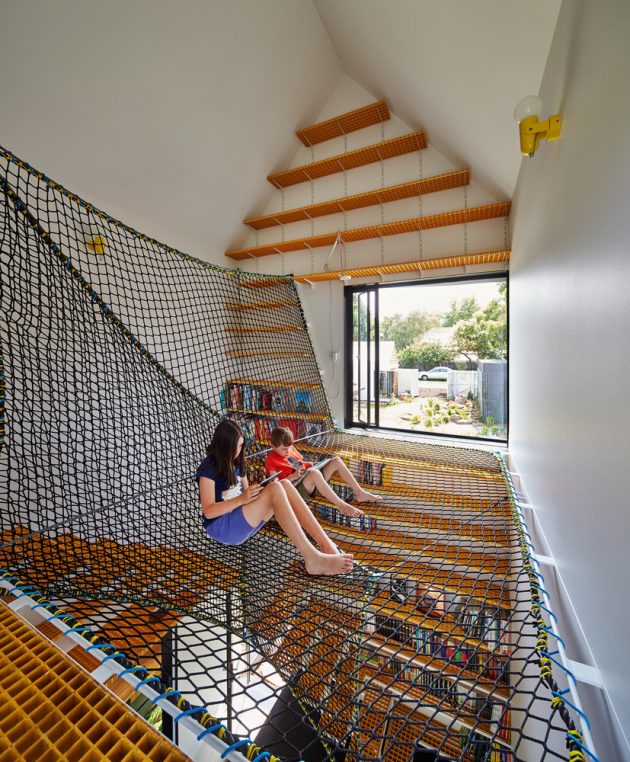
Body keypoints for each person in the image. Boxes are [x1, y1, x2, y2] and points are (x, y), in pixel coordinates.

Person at [196, 419, 353, 576]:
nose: (238, 451)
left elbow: (246, 495)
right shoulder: (209, 467)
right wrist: (243, 498)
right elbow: (209, 512)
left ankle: (326, 545)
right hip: (221, 527)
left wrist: (254, 493)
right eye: (235, 446)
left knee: (284, 484)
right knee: (275, 487)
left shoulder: (237, 462)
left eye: (241, 446)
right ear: (224, 445)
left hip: (240, 517)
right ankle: (312, 558)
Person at [265, 426, 382, 518]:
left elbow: (300, 463)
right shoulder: (271, 460)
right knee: (314, 474)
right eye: (284, 449)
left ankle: (360, 493)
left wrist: (312, 464)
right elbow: (276, 485)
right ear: (273, 446)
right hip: (296, 490)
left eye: (289, 447)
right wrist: (292, 477)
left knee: (336, 460)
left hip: (309, 479)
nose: (287, 452)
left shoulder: (290, 449)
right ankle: (342, 506)